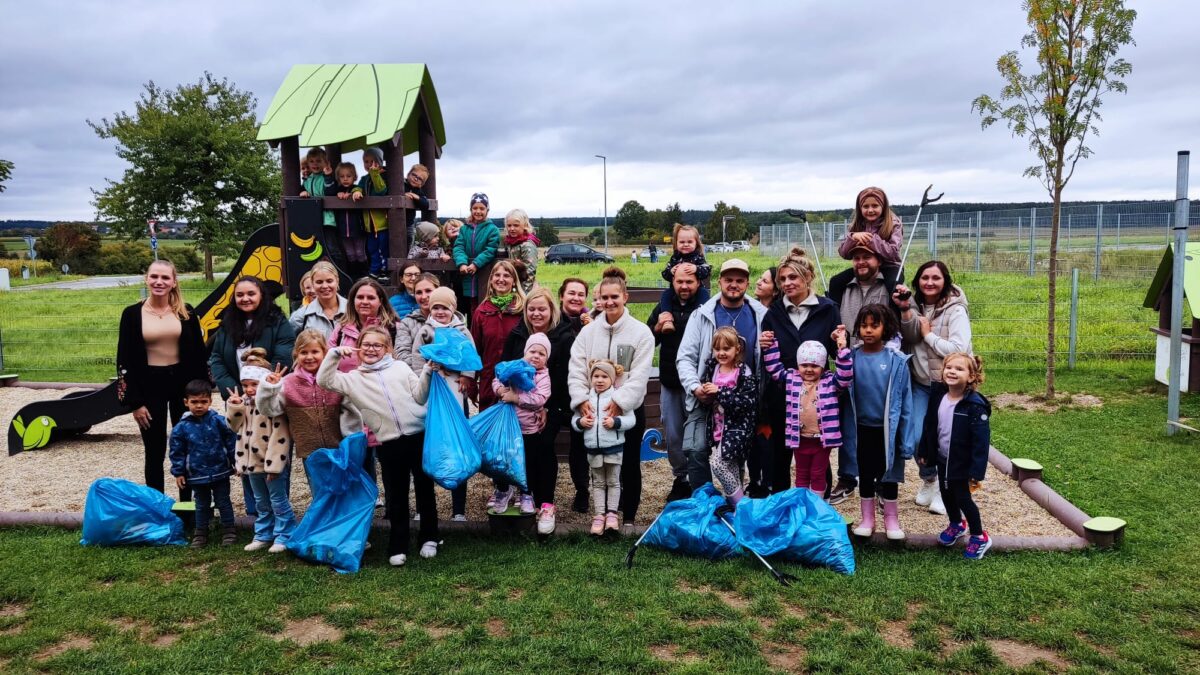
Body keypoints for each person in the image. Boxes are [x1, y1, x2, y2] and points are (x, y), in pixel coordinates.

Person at [317, 325, 438, 567]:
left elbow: (420, 396)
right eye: (367, 344)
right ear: (359, 348)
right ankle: (398, 543)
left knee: (425, 487)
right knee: (396, 494)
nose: (372, 349)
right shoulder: (353, 379)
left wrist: (426, 371)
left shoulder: (401, 368)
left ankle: (430, 537)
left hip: (418, 435)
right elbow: (324, 380)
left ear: (388, 349)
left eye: (378, 345)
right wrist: (334, 355)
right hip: (388, 441)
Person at [568, 267, 654, 525]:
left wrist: (619, 403)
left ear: (625, 297)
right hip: (593, 410)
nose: (609, 302)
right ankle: (601, 513)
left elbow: (639, 375)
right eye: (604, 297)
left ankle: (627, 517)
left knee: (627, 465)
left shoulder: (641, 333)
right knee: (599, 466)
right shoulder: (588, 332)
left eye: (615, 297)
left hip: (626, 411)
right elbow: (577, 368)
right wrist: (581, 399)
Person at [116, 260, 210, 499]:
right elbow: (124, 359)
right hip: (149, 386)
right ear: (146, 279)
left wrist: (201, 394)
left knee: (187, 447)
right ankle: (157, 507)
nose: (159, 282)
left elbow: (199, 355)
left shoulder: (186, 312)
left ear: (174, 282)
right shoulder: (131, 314)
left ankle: (188, 510)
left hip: (182, 386)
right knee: (154, 449)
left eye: (165, 278)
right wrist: (134, 403)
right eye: (154, 277)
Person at [207, 275, 296, 517]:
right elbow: (216, 358)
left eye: (250, 294)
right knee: (245, 447)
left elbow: (284, 354)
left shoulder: (276, 321)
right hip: (239, 396)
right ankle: (255, 510)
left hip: (268, 396)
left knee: (271, 450)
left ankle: (278, 508)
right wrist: (233, 389)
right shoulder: (228, 323)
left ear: (261, 296)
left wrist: (262, 386)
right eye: (240, 295)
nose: (245, 298)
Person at [676, 259, 767, 490]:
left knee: (735, 455)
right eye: (728, 280)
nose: (733, 285)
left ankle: (735, 502)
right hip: (704, 398)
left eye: (739, 280)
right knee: (695, 450)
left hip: (741, 401)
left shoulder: (761, 315)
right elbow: (685, 358)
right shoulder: (702, 315)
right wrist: (696, 387)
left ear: (747, 283)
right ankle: (704, 500)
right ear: (719, 282)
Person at [759, 248, 842, 496]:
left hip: (817, 399)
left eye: (792, 278)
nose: (787, 283)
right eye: (782, 279)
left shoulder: (827, 309)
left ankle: (819, 504)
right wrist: (763, 343)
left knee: (817, 452)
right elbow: (768, 355)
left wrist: (840, 341)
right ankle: (782, 501)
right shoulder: (773, 313)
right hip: (783, 393)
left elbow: (836, 353)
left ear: (807, 277)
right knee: (780, 455)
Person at [896, 260, 974, 516]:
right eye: (924, 277)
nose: (929, 282)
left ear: (945, 281)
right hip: (920, 383)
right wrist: (906, 310)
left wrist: (929, 335)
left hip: (949, 387)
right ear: (917, 280)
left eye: (936, 278)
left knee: (946, 440)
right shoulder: (914, 306)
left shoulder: (955, 310)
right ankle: (929, 478)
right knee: (918, 436)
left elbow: (959, 349)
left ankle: (945, 487)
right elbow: (908, 338)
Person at [499, 287, 575, 530]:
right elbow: (505, 368)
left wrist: (547, 408)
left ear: (551, 309)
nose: (536, 313)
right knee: (515, 450)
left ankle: (546, 504)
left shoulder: (563, 336)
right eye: (531, 309)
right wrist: (504, 393)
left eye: (542, 308)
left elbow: (564, 378)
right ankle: (523, 494)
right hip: (517, 406)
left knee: (542, 447)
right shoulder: (518, 334)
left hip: (551, 406)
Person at [843, 304, 918, 541]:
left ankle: (891, 519)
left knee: (889, 474)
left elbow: (906, 403)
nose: (868, 331)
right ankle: (867, 519)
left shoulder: (896, 361)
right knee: (865, 472)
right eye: (863, 325)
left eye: (874, 325)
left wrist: (906, 440)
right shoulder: (852, 357)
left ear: (886, 328)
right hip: (862, 429)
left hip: (889, 430)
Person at [407, 285, 475, 521]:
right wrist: (422, 375)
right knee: (429, 445)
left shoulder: (461, 330)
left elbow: (470, 354)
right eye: (435, 307)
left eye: (444, 307)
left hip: (455, 388)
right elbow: (417, 356)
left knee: (456, 444)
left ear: (452, 309)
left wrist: (467, 376)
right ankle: (423, 507)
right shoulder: (426, 330)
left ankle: (458, 509)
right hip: (433, 389)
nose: (439, 312)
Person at [917, 353, 993, 560]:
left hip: (962, 462)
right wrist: (925, 450)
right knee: (946, 492)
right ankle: (956, 524)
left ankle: (979, 536)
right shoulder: (939, 396)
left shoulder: (975, 405)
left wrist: (976, 471)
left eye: (959, 369)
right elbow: (930, 425)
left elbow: (981, 442)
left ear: (971, 377)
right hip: (943, 459)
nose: (952, 371)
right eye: (948, 367)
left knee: (963, 498)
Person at [256, 329, 361, 477]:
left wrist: (351, 442)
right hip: (310, 453)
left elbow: (352, 412)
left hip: (340, 449)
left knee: (344, 491)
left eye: (315, 352)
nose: (309, 357)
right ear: (296, 355)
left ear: (324, 353)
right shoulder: (288, 383)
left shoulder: (337, 379)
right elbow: (269, 410)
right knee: (319, 494)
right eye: (304, 352)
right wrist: (269, 389)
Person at [761, 333, 853, 495]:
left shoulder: (830, 382)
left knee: (818, 474)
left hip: (822, 440)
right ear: (798, 364)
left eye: (814, 365)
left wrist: (842, 350)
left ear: (823, 366)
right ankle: (801, 506)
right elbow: (774, 369)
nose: (809, 369)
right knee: (801, 474)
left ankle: (816, 507)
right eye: (804, 365)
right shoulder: (791, 378)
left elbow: (845, 376)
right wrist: (771, 345)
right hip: (799, 437)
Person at [227, 349, 296, 554]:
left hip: (271, 463)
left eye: (254, 384)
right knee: (260, 501)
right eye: (245, 385)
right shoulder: (245, 404)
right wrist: (234, 407)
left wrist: (275, 465)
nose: (249, 389)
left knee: (278, 499)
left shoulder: (273, 406)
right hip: (252, 463)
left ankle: (285, 532)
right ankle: (264, 533)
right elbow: (234, 428)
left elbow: (280, 437)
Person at [472, 260, 527, 511]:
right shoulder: (482, 311)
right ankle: (502, 487)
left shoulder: (523, 309)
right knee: (494, 439)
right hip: (489, 383)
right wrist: (473, 382)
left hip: (520, 385)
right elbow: (475, 350)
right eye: (497, 275)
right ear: (491, 280)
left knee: (521, 434)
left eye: (507, 275)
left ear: (514, 280)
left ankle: (524, 485)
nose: (502, 279)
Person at [647, 265, 703, 502]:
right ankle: (681, 478)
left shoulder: (705, 308)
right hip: (670, 381)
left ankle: (699, 479)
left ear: (698, 283)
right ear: (673, 282)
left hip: (698, 383)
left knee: (699, 436)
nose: (684, 287)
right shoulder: (663, 307)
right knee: (673, 435)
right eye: (680, 282)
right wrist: (658, 327)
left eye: (689, 282)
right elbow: (648, 338)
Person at [168, 379, 238, 548]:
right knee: (201, 504)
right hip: (196, 474)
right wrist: (178, 472)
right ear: (186, 402)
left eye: (203, 402)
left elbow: (231, 440)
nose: (199, 406)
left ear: (210, 402)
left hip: (220, 471)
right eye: (194, 402)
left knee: (223, 501)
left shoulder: (218, 421)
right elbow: (176, 451)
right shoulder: (181, 428)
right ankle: (201, 533)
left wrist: (236, 461)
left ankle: (229, 530)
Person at [572, 360, 634, 536]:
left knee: (614, 481)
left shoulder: (618, 398)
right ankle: (599, 515)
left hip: (613, 447)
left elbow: (631, 420)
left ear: (612, 379)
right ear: (591, 378)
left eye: (604, 376)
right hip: (593, 448)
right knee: (598, 482)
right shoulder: (585, 399)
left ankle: (612, 514)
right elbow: (575, 420)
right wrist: (580, 423)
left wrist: (616, 422)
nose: (600, 380)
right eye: (596, 376)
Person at [493, 333, 552, 520]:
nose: (536, 356)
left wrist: (516, 398)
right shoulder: (514, 366)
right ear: (525, 352)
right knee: (503, 460)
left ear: (546, 359)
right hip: (508, 426)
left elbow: (540, 398)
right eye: (532, 351)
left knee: (527, 463)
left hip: (529, 429)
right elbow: (497, 378)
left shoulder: (543, 376)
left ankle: (526, 494)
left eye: (541, 354)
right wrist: (501, 390)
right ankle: (503, 491)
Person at [699, 328, 759, 507]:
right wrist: (705, 392)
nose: (721, 353)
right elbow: (708, 397)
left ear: (737, 349)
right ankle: (735, 506)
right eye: (717, 349)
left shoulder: (743, 372)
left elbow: (747, 402)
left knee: (718, 464)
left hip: (737, 429)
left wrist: (720, 391)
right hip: (718, 427)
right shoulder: (713, 368)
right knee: (730, 466)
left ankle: (741, 505)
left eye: (726, 349)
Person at [827, 187, 904, 303]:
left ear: (883, 207)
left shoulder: (894, 224)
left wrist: (871, 240)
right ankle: (834, 316)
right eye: (866, 206)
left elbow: (893, 253)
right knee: (835, 281)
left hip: (890, 266)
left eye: (875, 206)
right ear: (860, 208)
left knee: (894, 287)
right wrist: (852, 238)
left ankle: (896, 318)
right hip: (864, 266)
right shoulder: (856, 225)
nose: (870, 210)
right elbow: (843, 253)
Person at [827, 242, 899, 350]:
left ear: (879, 261)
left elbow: (910, 331)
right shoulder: (842, 289)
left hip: (883, 362)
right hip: (848, 362)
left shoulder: (893, 288)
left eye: (867, 257)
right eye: (856, 258)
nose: (861, 262)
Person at [329, 277, 402, 374]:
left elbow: (401, 363)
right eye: (360, 297)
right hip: (347, 387)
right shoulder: (341, 329)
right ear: (353, 300)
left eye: (371, 298)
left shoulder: (394, 328)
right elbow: (329, 361)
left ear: (380, 301)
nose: (365, 302)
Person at [454, 193, 501, 317]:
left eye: (482, 208)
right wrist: (462, 263)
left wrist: (476, 263)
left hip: (485, 274)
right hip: (466, 275)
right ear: (471, 209)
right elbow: (459, 247)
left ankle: (479, 333)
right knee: (467, 305)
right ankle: (469, 332)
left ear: (487, 210)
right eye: (475, 208)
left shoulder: (492, 229)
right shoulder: (464, 229)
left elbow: (490, 249)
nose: (478, 211)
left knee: (482, 304)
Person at [353, 147, 390, 282]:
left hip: (382, 224)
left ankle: (385, 271)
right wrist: (356, 191)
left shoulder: (384, 175)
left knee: (383, 249)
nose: (369, 165)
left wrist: (375, 174)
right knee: (372, 249)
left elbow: (381, 190)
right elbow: (358, 187)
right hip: (369, 225)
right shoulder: (364, 178)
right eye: (366, 161)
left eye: (372, 161)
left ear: (379, 162)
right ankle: (374, 271)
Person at [288, 261, 346, 340]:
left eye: (329, 281)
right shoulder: (301, 316)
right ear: (313, 283)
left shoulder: (352, 310)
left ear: (337, 281)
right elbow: (288, 345)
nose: (325, 286)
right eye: (319, 282)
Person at [659, 224, 712, 309]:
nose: (686, 244)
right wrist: (670, 271)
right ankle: (666, 314)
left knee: (704, 293)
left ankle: (700, 314)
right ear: (676, 243)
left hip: (696, 290)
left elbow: (707, 270)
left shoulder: (698, 257)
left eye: (690, 242)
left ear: (696, 243)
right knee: (666, 294)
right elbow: (664, 273)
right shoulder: (675, 258)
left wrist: (697, 269)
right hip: (676, 290)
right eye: (682, 242)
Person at [332, 162, 368, 278]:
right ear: (338, 178)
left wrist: (355, 193)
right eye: (342, 177)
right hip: (343, 230)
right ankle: (353, 276)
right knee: (349, 254)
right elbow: (330, 192)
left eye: (348, 176)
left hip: (357, 229)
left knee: (359, 253)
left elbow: (360, 190)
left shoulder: (357, 188)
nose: (345, 179)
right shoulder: (337, 190)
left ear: (354, 177)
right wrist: (338, 194)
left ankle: (364, 274)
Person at [503, 208, 539, 293]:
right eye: (509, 225)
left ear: (525, 225)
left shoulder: (527, 245)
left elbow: (530, 272)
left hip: (524, 288)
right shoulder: (511, 243)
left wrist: (524, 294)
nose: (512, 228)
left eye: (516, 225)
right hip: (514, 285)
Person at [298, 147, 336, 229]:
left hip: (327, 219)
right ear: (308, 163)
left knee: (329, 241)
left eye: (318, 161)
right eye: (311, 161)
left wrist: (328, 176)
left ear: (325, 163)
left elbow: (331, 193)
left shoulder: (326, 177)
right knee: (314, 241)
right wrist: (303, 191)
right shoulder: (307, 180)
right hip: (312, 217)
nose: (315, 164)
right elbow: (302, 190)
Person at [401, 164, 431, 237]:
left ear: (421, 184)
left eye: (420, 179)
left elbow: (426, 205)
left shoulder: (417, 191)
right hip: (393, 222)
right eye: (414, 175)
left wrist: (417, 197)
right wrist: (403, 195)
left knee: (409, 242)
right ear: (408, 174)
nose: (416, 179)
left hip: (409, 224)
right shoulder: (400, 184)